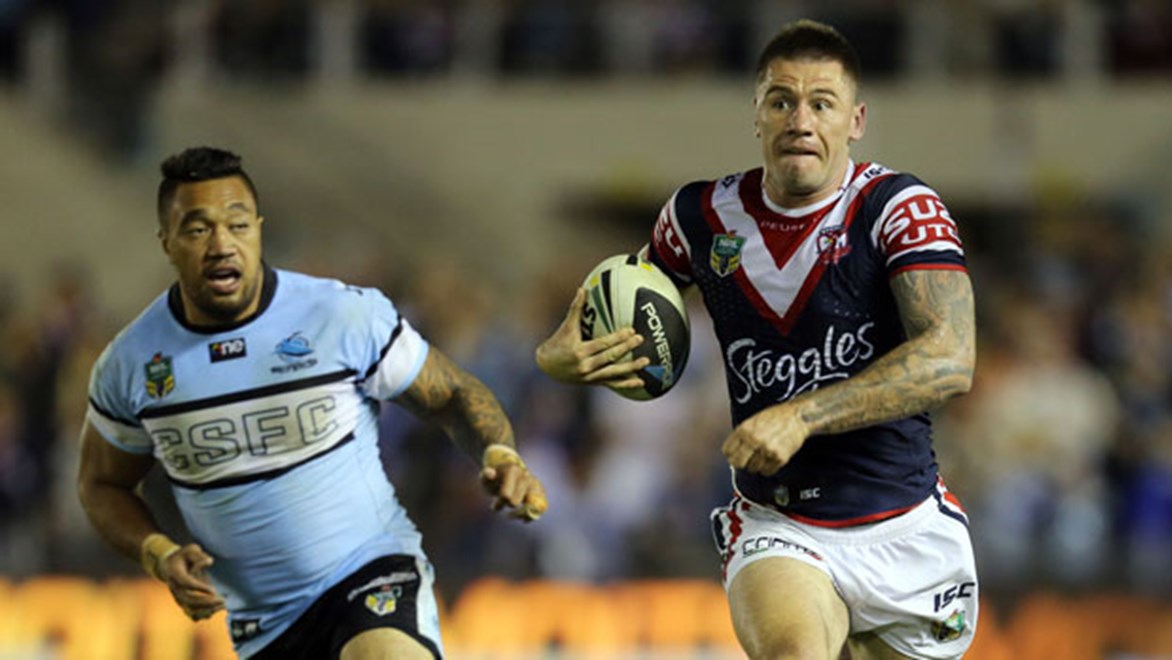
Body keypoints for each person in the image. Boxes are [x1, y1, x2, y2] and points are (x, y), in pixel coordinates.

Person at [537, 19, 977, 660]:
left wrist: (801, 416)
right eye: (781, 101)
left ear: (855, 120)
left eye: (821, 104)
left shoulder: (897, 207)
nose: (800, 121)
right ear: (757, 115)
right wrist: (558, 356)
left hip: (905, 527)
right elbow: (620, 307)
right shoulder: (697, 217)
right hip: (779, 522)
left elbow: (951, 358)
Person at [77, 146, 548, 660]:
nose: (221, 244)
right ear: (166, 241)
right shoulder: (131, 363)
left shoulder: (338, 314)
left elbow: (452, 392)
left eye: (238, 225)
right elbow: (102, 483)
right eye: (198, 229)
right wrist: (158, 553)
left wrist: (501, 454)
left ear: (259, 230)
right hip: (265, 628)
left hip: (371, 572)